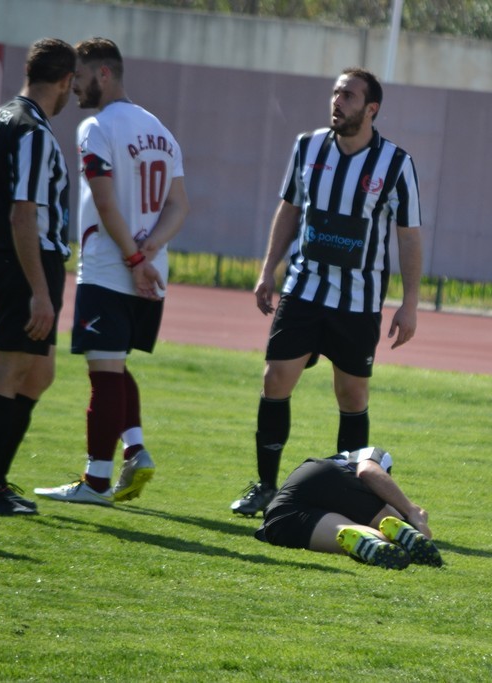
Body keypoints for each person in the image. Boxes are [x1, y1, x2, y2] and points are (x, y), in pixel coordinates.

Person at [230, 67, 423, 517]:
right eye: (336, 92)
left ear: (371, 109)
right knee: (275, 379)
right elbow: (290, 208)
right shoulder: (308, 146)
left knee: (352, 396)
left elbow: (409, 235)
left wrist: (410, 303)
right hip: (304, 288)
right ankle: (266, 486)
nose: (337, 101)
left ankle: (349, 496)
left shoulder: (396, 163)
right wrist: (268, 269)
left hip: (358, 302)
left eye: (348, 95)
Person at [35, 37, 189, 506]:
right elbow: (179, 206)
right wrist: (150, 249)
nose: (75, 86)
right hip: (149, 272)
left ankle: (96, 482)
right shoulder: (161, 131)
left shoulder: (96, 127)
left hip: (110, 268)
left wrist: (134, 259)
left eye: (80, 77)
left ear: (104, 73)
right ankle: (135, 450)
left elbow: (104, 202)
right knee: (114, 365)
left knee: (103, 374)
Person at [0, 38, 77, 516]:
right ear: (65, 81)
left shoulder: (2, 115)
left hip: (10, 259)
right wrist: (40, 292)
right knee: (8, 369)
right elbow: (22, 213)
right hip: (25, 262)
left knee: (40, 372)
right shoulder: (32, 129)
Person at [255, 446, 443, 569]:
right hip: (329, 476)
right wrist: (412, 511)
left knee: (348, 532)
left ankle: (378, 542)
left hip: (282, 517)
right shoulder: (367, 453)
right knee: (397, 520)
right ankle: (407, 530)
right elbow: (368, 471)